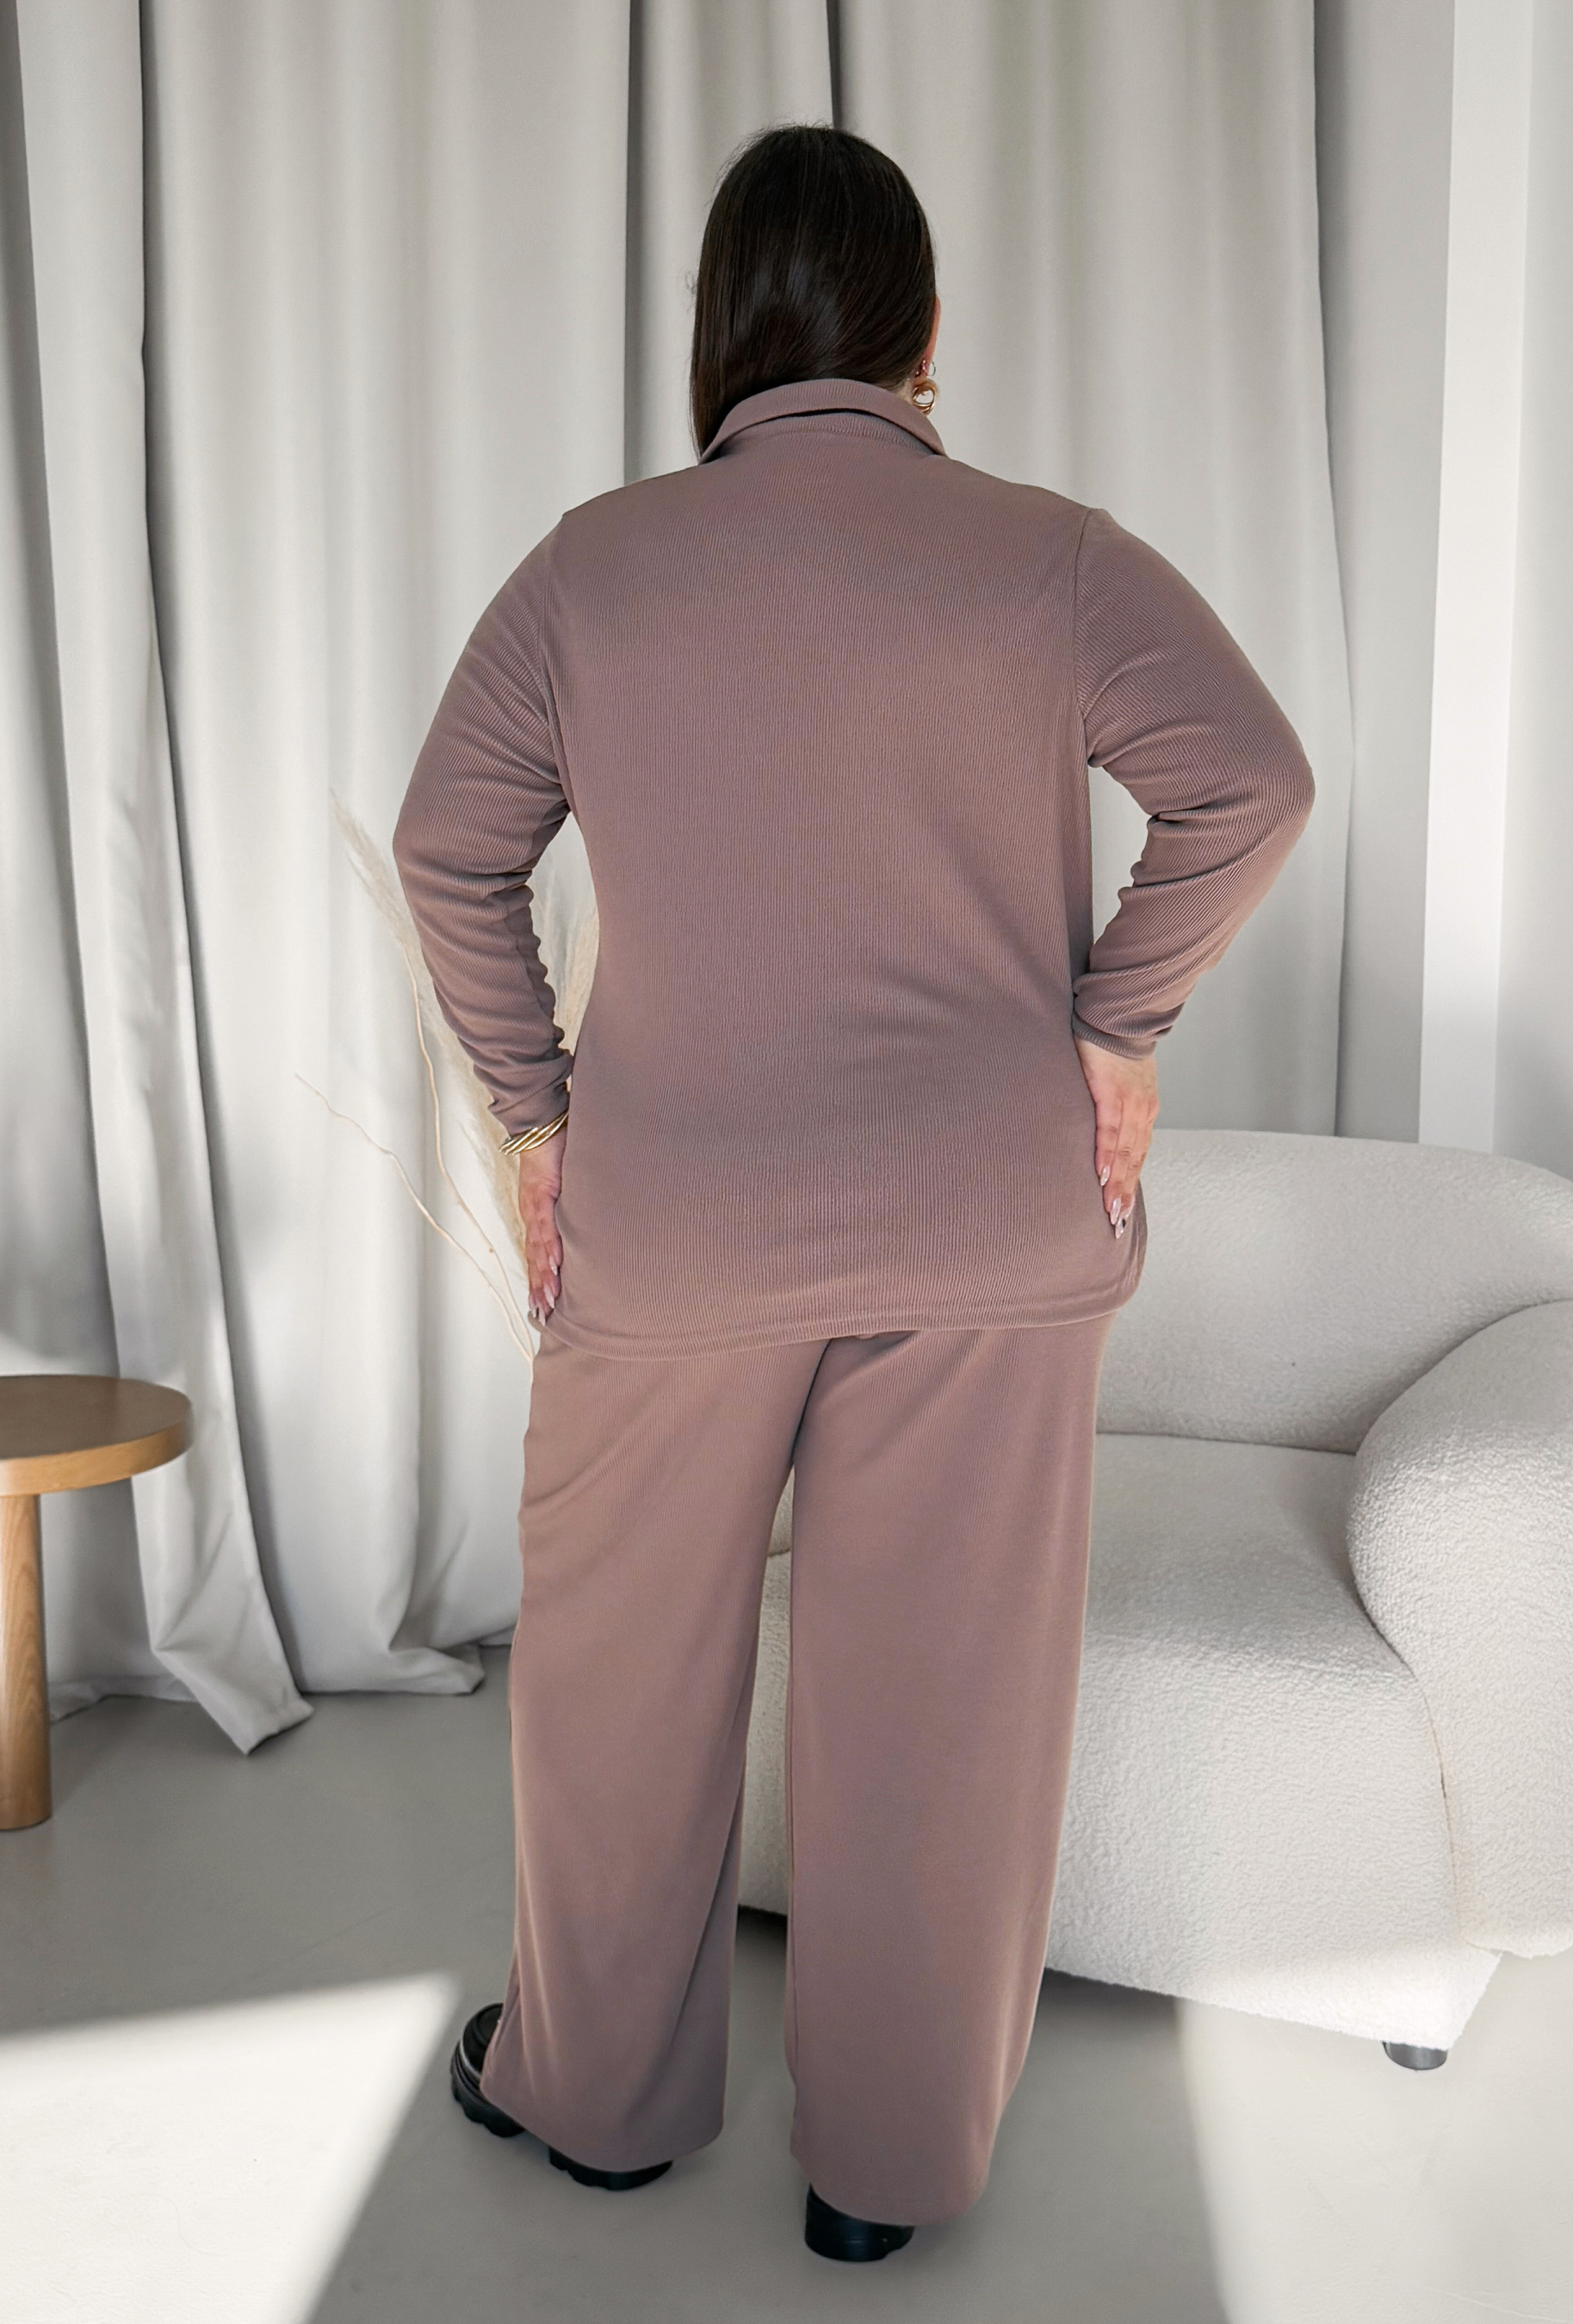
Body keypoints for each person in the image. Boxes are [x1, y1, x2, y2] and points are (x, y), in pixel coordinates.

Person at [394, 121, 1312, 2264]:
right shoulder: (1048, 556)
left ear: (716, 331)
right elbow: (1251, 785)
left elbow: (449, 851)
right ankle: (883, 2176)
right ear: (922, 334)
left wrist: (535, 1114)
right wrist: (1117, 1024)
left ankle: (596, 2101)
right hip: (990, 1225)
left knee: (616, 1681)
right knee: (936, 1708)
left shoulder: (590, 568)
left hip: (670, 1233)